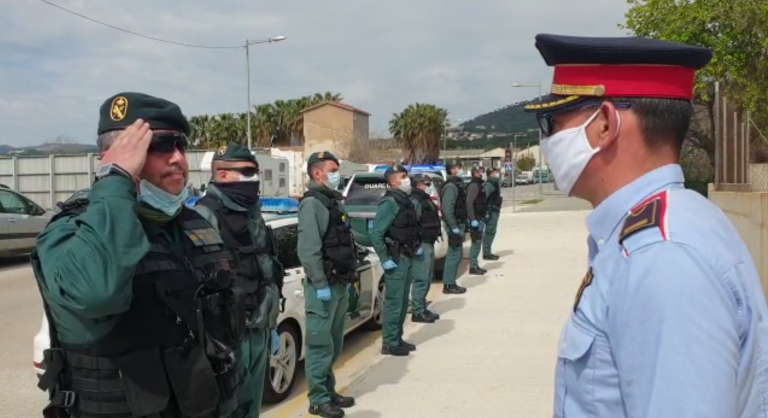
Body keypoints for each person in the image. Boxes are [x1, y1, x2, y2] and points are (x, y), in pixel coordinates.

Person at [524, 34, 768, 418]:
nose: (547, 139)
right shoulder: (662, 228)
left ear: (604, 124)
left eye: (551, 122)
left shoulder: (663, 258)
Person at [32, 92, 245, 418]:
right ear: (113, 157)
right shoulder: (71, 231)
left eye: (180, 145)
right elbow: (97, 292)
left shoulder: (190, 223)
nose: (177, 158)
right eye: (160, 145)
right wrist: (115, 181)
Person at [192, 144, 283, 418]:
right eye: (246, 172)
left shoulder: (251, 212)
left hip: (259, 329)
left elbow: (265, 266)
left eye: (255, 172)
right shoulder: (204, 215)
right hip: (229, 339)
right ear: (222, 175)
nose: (254, 179)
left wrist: (271, 322)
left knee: (251, 408)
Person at [297, 151, 357, 418]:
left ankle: (329, 392)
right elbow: (309, 249)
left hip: (339, 283)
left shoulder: (333, 201)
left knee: (333, 343)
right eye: (332, 169)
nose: (337, 174)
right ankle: (318, 399)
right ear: (317, 173)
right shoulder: (312, 204)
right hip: (323, 286)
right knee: (320, 346)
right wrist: (319, 282)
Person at [370, 164, 421, 356]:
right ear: (393, 180)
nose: (407, 179)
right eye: (403, 176)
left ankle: (397, 337)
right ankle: (390, 342)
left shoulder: (403, 200)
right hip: (396, 258)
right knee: (393, 302)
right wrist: (384, 258)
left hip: (407, 256)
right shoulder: (389, 202)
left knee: (402, 301)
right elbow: (376, 233)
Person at [408, 174, 441, 323]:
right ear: (419, 185)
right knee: (421, 278)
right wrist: (416, 244)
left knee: (427, 277)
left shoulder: (424, 198)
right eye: (427, 184)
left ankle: (421, 307)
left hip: (429, 241)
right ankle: (417, 311)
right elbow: (413, 225)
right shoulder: (415, 200)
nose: (429, 186)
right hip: (421, 243)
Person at [439, 163, 468, 294]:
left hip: (459, 223)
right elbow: (447, 208)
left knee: (457, 254)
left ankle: (451, 282)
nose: (460, 170)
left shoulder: (457, 184)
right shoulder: (451, 187)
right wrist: (454, 226)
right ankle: (449, 284)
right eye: (458, 168)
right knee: (454, 255)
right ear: (452, 170)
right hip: (454, 225)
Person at [465, 166, 488, 275]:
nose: (481, 173)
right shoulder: (474, 185)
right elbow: (469, 202)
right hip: (476, 219)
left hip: (480, 217)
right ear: (474, 173)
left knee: (478, 243)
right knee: (476, 242)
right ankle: (473, 266)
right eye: (479, 172)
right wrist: (472, 219)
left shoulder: (479, 184)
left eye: (481, 171)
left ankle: (475, 265)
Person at [482, 167, 502, 260]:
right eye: (495, 172)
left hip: (494, 210)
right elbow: (483, 197)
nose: (497, 174)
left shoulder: (495, 183)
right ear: (490, 174)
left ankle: (487, 251)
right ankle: (486, 252)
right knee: (489, 232)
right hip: (490, 211)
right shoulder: (490, 184)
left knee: (491, 231)